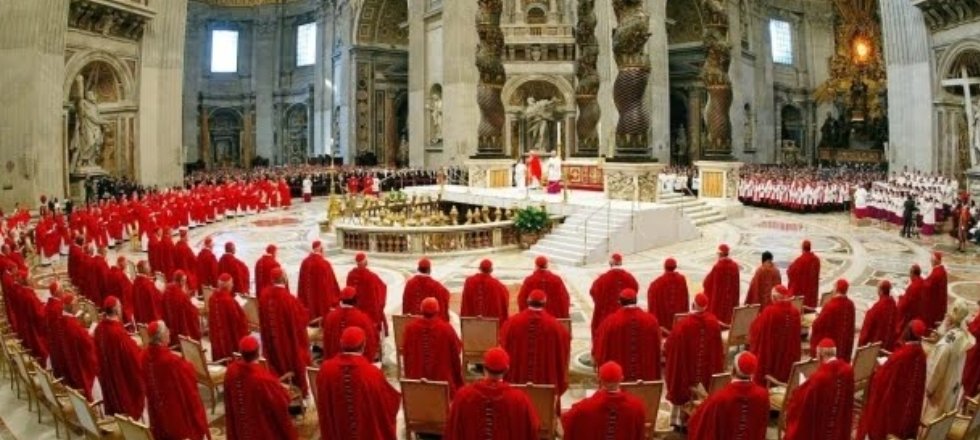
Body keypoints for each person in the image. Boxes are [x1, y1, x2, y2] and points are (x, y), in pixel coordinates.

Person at [316, 327, 400, 440]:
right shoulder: (372, 373)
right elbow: (387, 404)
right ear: (363, 346)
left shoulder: (325, 369)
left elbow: (323, 404)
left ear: (341, 343)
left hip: (337, 431)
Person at [445, 347, 539, 440]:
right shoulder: (520, 399)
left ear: (484, 368)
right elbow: (532, 429)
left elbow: (452, 430)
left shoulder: (462, 396)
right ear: (507, 370)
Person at [856, 320, 928, 440]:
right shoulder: (921, 355)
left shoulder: (900, 356)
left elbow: (881, 380)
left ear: (908, 332)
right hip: (906, 407)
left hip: (893, 407)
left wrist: (877, 371)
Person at [664, 293, 724, 429]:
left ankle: (680, 423)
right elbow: (719, 350)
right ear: (706, 307)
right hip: (706, 373)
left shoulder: (683, 325)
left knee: (681, 380)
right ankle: (703, 419)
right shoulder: (713, 322)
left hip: (687, 374)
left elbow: (669, 348)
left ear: (693, 305)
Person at [142, 321, 211, 440]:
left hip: (157, 409)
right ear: (162, 336)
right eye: (167, 330)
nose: (169, 333)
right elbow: (189, 378)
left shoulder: (143, 356)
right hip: (174, 413)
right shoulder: (171, 361)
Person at [224, 336, 298, 440]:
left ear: (241, 352)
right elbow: (282, 403)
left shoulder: (231, 370)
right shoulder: (263, 379)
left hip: (241, 425)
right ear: (258, 352)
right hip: (260, 428)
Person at [500, 289, 571, 395]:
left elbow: (503, 343)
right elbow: (564, 349)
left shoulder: (512, 323)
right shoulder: (556, 326)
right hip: (546, 386)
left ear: (527, 301)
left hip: (517, 385)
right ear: (545, 302)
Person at [687, 352, 769, 440]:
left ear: (733, 370)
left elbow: (699, 423)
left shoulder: (719, 398)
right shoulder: (763, 395)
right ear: (753, 372)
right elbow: (761, 427)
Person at [783, 339, 854, 440]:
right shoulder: (848, 370)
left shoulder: (819, 378)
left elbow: (801, 403)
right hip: (838, 423)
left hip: (821, 426)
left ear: (820, 355)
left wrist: (798, 391)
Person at [259, 268, 312, 396]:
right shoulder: (289, 299)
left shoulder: (264, 296)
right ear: (284, 278)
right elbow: (302, 321)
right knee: (297, 357)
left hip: (271, 343)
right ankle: (296, 389)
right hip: (287, 345)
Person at [560, 361, 646, 440]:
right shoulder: (637, 406)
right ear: (621, 379)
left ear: (599, 379)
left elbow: (567, 421)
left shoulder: (582, 408)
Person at [922, 301, 977, 422]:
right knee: (943, 417)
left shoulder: (946, 345)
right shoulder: (962, 336)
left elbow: (936, 370)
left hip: (939, 390)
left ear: (950, 321)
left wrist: (928, 389)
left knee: (931, 419)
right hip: (952, 385)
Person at [94, 296, 145, 419]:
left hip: (108, 376)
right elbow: (132, 358)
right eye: (120, 307)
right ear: (116, 310)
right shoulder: (117, 332)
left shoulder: (99, 328)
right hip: (121, 378)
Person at [593, 288, 661, 381]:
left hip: (619, 379)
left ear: (620, 302)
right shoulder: (651, 320)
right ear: (636, 301)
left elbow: (600, 347)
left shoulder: (610, 322)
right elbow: (657, 347)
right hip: (646, 376)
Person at [402, 297, 464, 395]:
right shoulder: (446, 328)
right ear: (437, 310)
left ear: (421, 310)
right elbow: (457, 351)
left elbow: (406, 354)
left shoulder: (410, 328)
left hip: (417, 381)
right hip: (442, 382)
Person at [749, 285, 801, 385]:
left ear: (774, 298)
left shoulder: (770, 312)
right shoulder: (795, 312)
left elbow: (756, 330)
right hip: (788, 361)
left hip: (771, 360)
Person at [321, 287, 380, 361]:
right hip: (358, 364)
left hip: (334, 362)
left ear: (341, 300)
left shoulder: (330, 316)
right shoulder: (363, 318)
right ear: (356, 301)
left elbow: (326, 341)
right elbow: (372, 341)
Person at [589, 253, 639, 340]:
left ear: (611, 263)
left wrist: (601, 302)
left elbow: (593, 292)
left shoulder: (602, 279)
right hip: (626, 317)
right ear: (621, 263)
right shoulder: (630, 278)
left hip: (606, 317)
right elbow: (635, 290)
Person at [808, 279, 855, 361]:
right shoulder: (850, 304)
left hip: (831, 342)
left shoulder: (831, 306)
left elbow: (818, 324)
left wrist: (816, 319)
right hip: (843, 343)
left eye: (834, 287)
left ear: (836, 289)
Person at [207, 273, 249, 362]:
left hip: (217, 339)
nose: (233, 285)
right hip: (228, 340)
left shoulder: (212, 298)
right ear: (228, 285)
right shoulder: (229, 301)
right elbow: (238, 322)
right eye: (232, 283)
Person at [346, 252, 388, 336]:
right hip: (369, 311)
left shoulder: (350, 275)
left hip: (355, 308)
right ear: (365, 262)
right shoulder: (371, 277)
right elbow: (382, 288)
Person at [297, 240, 341, 318]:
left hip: (308, 301)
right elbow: (330, 284)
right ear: (321, 249)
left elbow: (301, 283)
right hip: (321, 301)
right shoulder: (324, 264)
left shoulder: (304, 262)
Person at [460, 259, 510, 323]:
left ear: (479, 268)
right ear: (491, 270)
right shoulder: (496, 284)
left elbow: (465, 301)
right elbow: (504, 297)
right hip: (491, 323)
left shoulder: (469, 281)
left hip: (472, 322)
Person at [647, 257, 689, 330]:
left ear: (664, 267)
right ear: (675, 267)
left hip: (664, 319)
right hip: (677, 316)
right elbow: (685, 297)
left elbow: (651, 295)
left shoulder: (657, 283)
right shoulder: (682, 279)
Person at [703, 244, 740, 324]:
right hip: (731, 300)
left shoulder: (718, 266)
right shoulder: (735, 266)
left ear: (720, 254)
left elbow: (707, 283)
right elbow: (737, 285)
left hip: (719, 300)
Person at [161, 270, 202, 341]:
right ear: (180, 281)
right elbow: (191, 312)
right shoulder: (181, 295)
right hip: (180, 328)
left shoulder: (167, 289)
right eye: (184, 281)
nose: (184, 283)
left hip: (170, 325)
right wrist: (196, 310)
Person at [858, 280, 899, 351]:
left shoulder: (876, 308)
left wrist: (861, 345)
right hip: (889, 345)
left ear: (881, 291)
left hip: (876, 347)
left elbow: (867, 329)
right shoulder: (893, 305)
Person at [786, 240, 820, 309]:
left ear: (802, 248)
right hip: (812, 291)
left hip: (802, 290)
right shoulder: (816, 260)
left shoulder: (800, 260)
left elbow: (790, 272)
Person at [897, 264, 927, 337]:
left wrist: (900, 299)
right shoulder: (922, 281)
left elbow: (905, 304)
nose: (909, 275)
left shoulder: (913, 287)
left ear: (913, 274)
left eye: (910, 273)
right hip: (920, 312)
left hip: (911, 315)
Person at [924, 251, 949, 329]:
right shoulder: (942, 270)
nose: (931, 261)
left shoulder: (936, 273)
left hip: (935, 301)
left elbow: (928, 285)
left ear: (936, 261)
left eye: (932, 260)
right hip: (940, 300)